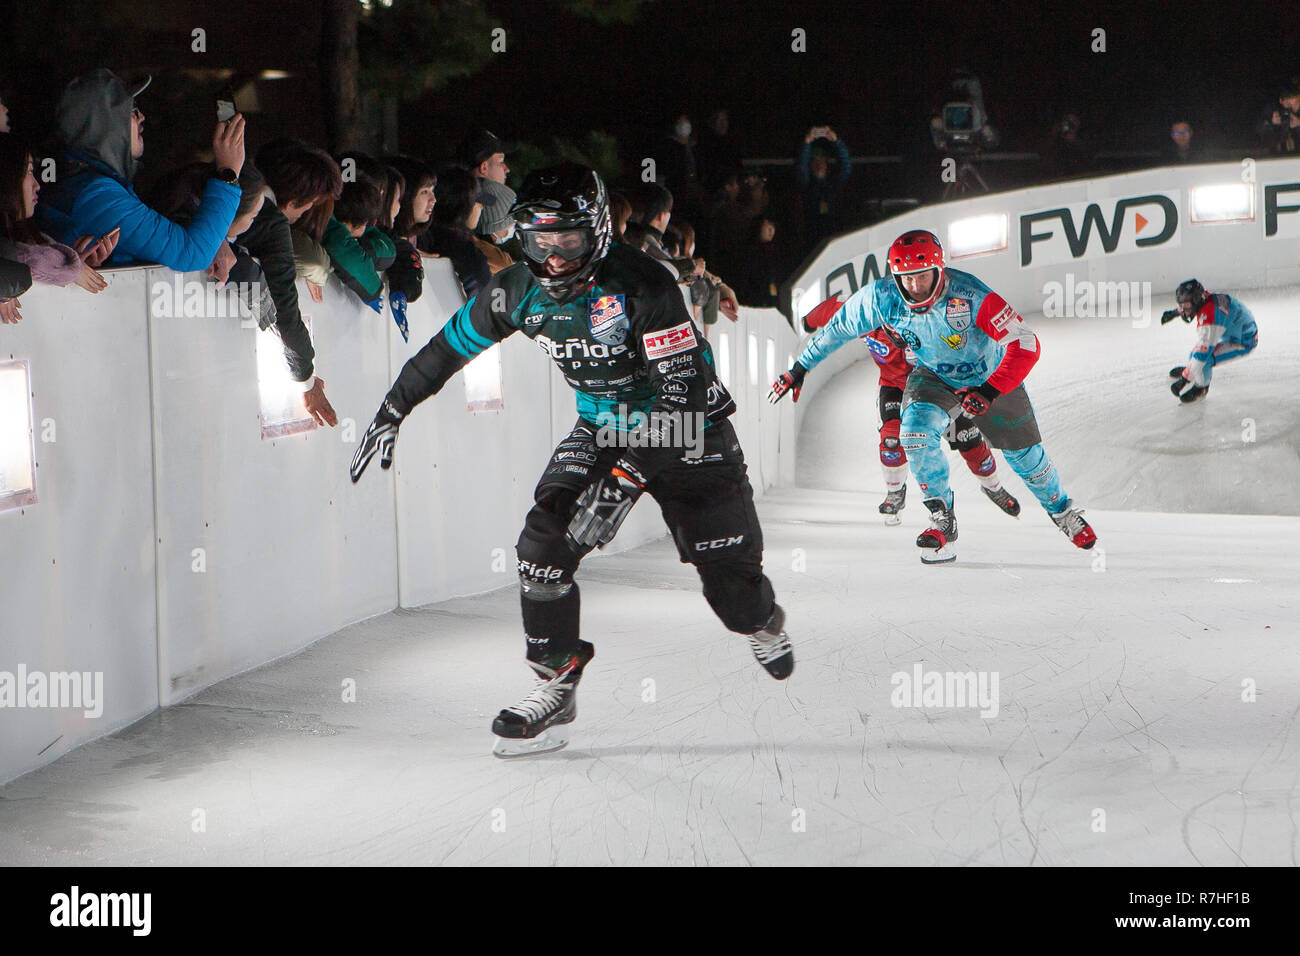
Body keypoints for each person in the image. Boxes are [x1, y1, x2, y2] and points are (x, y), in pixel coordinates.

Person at [350, 163, 793, 757]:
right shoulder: (515, 289)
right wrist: (392, 407)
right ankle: (556, 681)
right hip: (605, 424)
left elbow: (682, 402)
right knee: (542, 547)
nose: (554, 259)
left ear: (600, 235)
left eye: (570, 242)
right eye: (540, 242)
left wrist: (623, 482)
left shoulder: (647, 287)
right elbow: (447, 349)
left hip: (692, 434)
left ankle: (761, 619)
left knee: (732, 593)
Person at [770, 229, 1096, 563]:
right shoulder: (879, 297)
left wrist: (990, 389)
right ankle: (942, 518)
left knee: (1025, 458)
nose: (914, 286)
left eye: (922, 276)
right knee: (912, 434)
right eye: (906, 278)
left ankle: (1062, 511)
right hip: (933, 375)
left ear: (940, 270)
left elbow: (1026, 343)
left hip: (989, 375)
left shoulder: (971, 295)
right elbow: (836, 329)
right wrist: (799, 369)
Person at [800, 293, 1021, 524]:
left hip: (938, 388)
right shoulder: (863, 313)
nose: (899, 333)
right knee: (891, 439)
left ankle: (993, 486)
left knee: (968, 438)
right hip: (895, 387)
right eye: (893, 325)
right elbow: (833, 310)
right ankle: (895, 490)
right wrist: (809, 321)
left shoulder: (936, 319)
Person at [37, 69, 245, 272]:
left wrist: (217, 241)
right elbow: (191, 254)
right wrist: (228, 174)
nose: (142, 117)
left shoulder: (87, 184)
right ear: (106, 124)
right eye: (132, 110)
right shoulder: (96, 196)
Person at [0, 136, 113, 295]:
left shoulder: (29, 236)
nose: (37, 185)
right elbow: (30, 260)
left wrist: (81, 262)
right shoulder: (8, 251)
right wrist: (72, 268)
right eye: (29, 172)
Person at [1161, 279, 1258, 404]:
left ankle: (1202, 388)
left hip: (1242, 342)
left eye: (1185, 307)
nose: (1184, 310)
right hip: (1237, 330)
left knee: (1203, 361)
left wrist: (1184, 379)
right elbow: (1194, 303)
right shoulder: (1205, 299)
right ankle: (1195, 371)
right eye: (1181, 306)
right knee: (1195, 358)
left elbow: (1202, 356)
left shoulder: (1209, 319)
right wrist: (1176, 312)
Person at [796, 127, 851, 253]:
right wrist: (807, 142)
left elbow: (846, 166)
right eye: (815, 161)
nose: (819, 164)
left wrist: (836, 141)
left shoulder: (834, 182)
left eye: (822, 160)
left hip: (835, 233)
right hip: (812, 235)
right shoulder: (807, 183)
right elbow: (801, 167)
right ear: (810, 165)